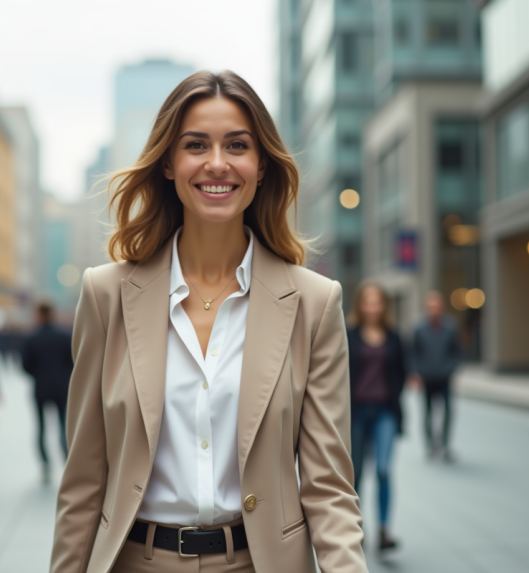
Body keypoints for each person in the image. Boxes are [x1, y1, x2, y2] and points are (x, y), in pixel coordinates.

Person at [50, 71, 366, 573]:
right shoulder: (106, 294)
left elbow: (329, 488)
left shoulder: (314, 303)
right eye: (196, 145)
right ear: (169, 165)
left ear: (261, 166)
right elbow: (84, 479)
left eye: (237, 145)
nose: (217, 163)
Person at [346, 281, 406, 552]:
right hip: (356, 412)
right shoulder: (349, 334)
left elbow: (402, 371)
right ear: (360, 304)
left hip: (385, 412)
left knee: (383, 470)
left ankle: (383, 530)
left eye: (377, 302)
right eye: (367, 302)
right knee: (355, 474)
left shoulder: (394, 336)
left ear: (384, 306)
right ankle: (355, 528)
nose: (372, 307)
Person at [21, 301, 72, 483]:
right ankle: (66, 458)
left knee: (41, 427)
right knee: (62, 425)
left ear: (39, 315)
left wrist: (39, 374)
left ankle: (45, 463)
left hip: (40, 388)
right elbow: (72, 362)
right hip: (61, 387)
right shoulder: (65, 336)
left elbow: (25, 366)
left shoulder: (31, 338)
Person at [411, 291, 462, 461]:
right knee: (427, 413)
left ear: (442, 307)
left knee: (448, 412)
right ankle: (430, 446)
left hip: (444, 378)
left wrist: (451, 370)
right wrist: (416, 373)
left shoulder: (450, 327)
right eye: (431, 307)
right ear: (427, 308)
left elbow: (457, 352)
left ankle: (446, 445)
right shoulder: (419, 328)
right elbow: (414, 352)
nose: (434, 310)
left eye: (437, 306)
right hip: (426, 378)